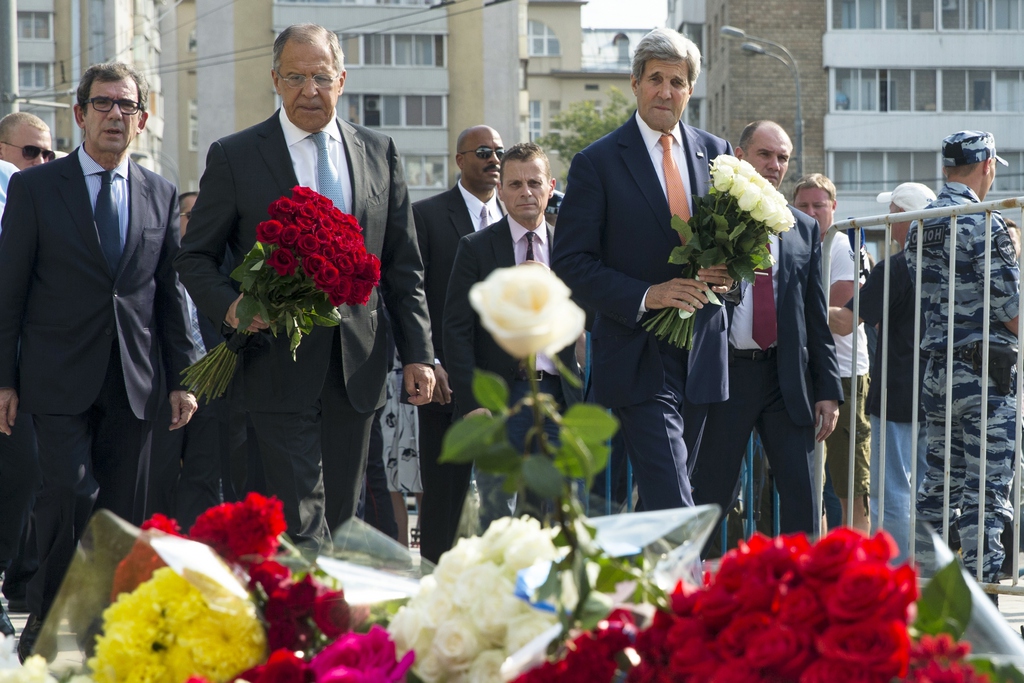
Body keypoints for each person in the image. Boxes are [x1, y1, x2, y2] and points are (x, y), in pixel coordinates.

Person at [175, 24, 434, 551]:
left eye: (320, 76)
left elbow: (403, 263)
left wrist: (420, 354)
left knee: (340, 515)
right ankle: (295, 617)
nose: (308, 90)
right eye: (295, 76)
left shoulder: (379, 151)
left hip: (356, 364)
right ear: (275, 79)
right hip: (273, 361)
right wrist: (234, 307)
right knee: (299, 518)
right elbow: (195, 256)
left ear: (342, 80)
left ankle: (320, 619)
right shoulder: (237, 155)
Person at [0, 62, 199, 660]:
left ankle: (105, 630)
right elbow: (9, 290)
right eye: (104, 104)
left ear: (140, 120)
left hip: (136, 381)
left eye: (127, 107)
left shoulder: (160, 193)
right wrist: (3, 379)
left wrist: (183, 378)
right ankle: (47, 618)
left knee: (120, 513)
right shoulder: (36, 188)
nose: (116, 115)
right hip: (55, 378)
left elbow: (169, 294)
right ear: (81, 113)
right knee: (68, 495)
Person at [552, 28, 734, 511]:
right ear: (635, 83)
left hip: (701, 353)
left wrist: (729, 276)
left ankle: (645, 582)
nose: (665, 91)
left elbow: (740, 252)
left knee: (669, 493)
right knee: (674, 496)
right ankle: (686, 587)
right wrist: (647, 295)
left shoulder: (718, 154)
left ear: (689, 91)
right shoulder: (597, 163)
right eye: (655, 78)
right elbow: (570, 262)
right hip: (637, 356)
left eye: (677, 82)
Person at [687, 121, 842, 536]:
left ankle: (804, 591)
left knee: (802, 496)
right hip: (726, 375)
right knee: (709, 494)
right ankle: (690, 586)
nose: (774, 165)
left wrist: (827, 389)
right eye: (765, 154)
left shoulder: (801, 227)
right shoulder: (710, 215)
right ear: (740, 156)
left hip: (784, 379)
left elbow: (814, 316)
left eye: (782, 157)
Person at [444, 142, 583, 516]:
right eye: (516, 184)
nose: (526, 192)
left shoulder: (572, 250)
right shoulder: (474, 248)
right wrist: (472, 402)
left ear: (551, 186)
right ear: (501, 190)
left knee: (556, 515)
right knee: (496, 513)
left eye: (534, 183)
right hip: (498, 402)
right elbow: (456, 330)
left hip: (558, 401)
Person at [906, 130, 1019, 584]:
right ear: (987, 165)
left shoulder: (921, 222)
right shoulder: (983, 219)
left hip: (938, 370)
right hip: (986, 375)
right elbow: (1012, 310)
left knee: (937, 488)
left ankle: (925, 593)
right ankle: (980, 605)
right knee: (985, 494)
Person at [829, 182, 936, 560]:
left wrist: (800, 306)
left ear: (904, 218)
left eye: (893, 214)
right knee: (929, 490)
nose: (889, 223)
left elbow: (845, 322)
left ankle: (895, 573)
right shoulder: (949, 264)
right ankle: (926, 569)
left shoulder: (897, 267)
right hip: (940, 396)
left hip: (896, 393)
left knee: (891, 491)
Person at [412, 125, 504, 563]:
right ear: (460, 159)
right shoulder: (427, 216)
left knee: (504, 501)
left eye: (499, 151)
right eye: (483, 151)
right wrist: (429, 359)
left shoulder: (516, 218)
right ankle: (433, 584)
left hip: (505, 384)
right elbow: (413, 295)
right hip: (445, 381)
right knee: (444, 497)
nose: (494, 159)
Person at [793, 173, 871, 532]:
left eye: (818, 205)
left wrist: (788, 310)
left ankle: (858, 578)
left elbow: (843, 321)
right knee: (808, 485)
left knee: (850, 485)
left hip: (843, 373)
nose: (810, 212)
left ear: (833, 208)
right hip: (800, 371)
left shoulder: (842, 246)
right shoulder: (792, 242)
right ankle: (817, 570)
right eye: (803, 205)